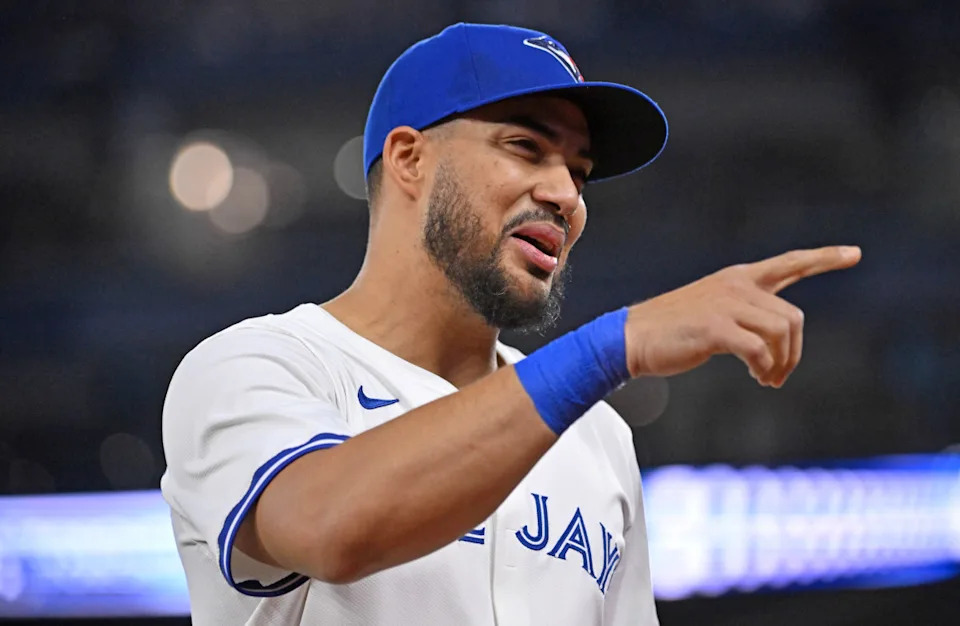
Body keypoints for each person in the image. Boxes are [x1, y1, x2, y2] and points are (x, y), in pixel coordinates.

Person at [160, 22, 861, 625]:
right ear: (409, 159)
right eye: (526, 147)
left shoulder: (598, 437)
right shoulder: (256, 366)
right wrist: (612, 347)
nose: (565, 195)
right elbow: (327, 527)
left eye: (579, 172)